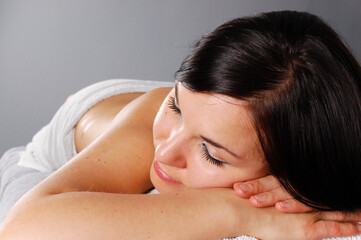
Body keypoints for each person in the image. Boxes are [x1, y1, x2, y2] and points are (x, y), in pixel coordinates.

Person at [0, 10, 360, 240]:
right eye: (176, 106)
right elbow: (22, 229)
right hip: (42, 161)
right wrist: (238, 212)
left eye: (210, 153)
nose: (167, 151)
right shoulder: (149, 132)